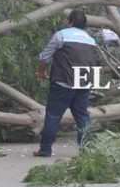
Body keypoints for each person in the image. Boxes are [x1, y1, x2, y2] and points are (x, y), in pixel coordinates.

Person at [33, 10, 98, 157]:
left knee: (53, 116)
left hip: (62, 84)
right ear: (85, 26)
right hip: (83, 85)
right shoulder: (91, 40)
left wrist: (41, 72)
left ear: (70, 22)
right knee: (82, 117)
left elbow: (44, 57)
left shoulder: (61, 35)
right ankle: (86, 150)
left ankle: (45, 149)